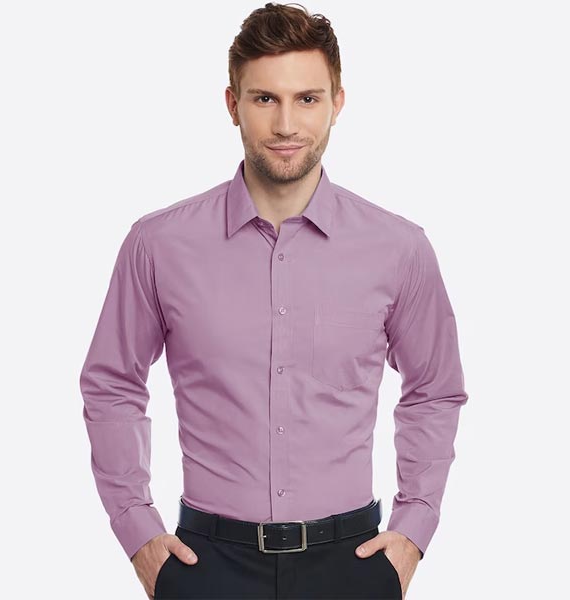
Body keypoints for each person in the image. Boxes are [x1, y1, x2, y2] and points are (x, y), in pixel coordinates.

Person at [79, 2, 469, 598]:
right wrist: (138, 533)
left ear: (337, 102)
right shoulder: (157, 244)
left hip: (353, 563)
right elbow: (111, 383)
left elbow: (435, 389)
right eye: (265, 99)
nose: (287, 124)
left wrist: (414, 529)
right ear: (232, 104)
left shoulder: (400, 248)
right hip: (204, 564)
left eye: (307, 98)